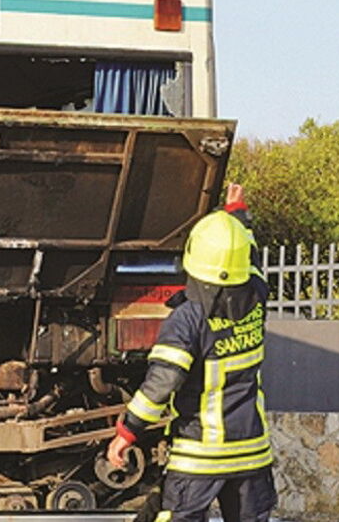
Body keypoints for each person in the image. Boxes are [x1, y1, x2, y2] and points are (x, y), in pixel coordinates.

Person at [107, 184, 277, 522]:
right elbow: (250, 258)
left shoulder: (187, 319)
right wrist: (238, 216)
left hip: (200, 457)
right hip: (251, 454)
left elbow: (162, 383)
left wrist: (127, 431)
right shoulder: (257, 298)